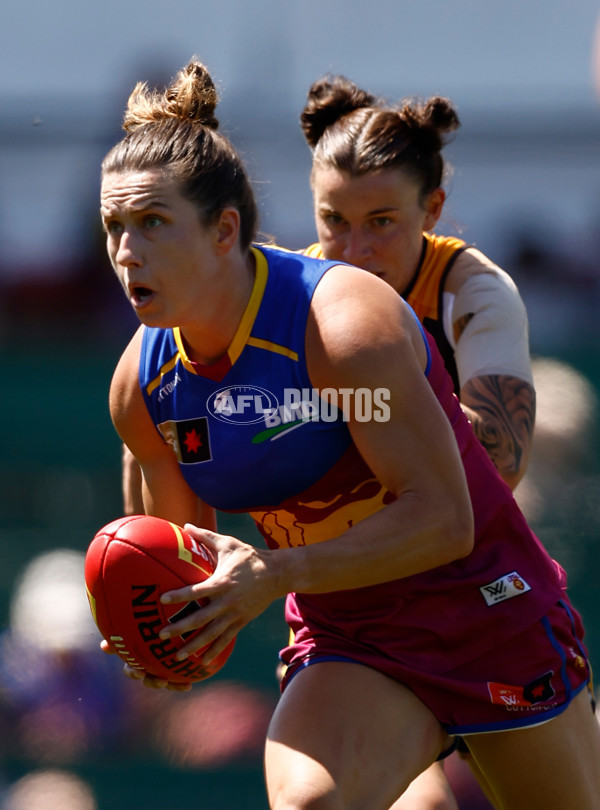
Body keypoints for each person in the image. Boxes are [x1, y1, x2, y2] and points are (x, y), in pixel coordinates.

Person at [100, 59, 600, 810]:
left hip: (485, 610)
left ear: (224, 230)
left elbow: (446, 519)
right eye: (114, 228)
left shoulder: (342, 327)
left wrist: (273, 572)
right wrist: (165, 634)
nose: (127, 253)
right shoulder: (143, 386)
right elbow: (185, 564)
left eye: (152, 224)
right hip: (351, 638)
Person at [297, 75, 538, 809]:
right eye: (333, 220)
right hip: (354, 617)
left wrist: (362, 405)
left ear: (431, 210)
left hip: (488, 603)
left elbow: (499, 464)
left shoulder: (476, 291)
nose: (354, 248)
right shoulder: (288, 295)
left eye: (381, 222)